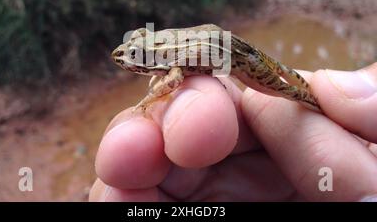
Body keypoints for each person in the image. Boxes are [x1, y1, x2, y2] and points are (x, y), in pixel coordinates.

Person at [89, 63, 377, 201]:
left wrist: (148, 100)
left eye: (138, 57)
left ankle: (320, 103)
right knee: (280, 87)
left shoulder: (172, 67)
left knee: (287, 90)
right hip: (229, 61)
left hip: (237, 57)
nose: (129, 62)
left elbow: (174, 80)